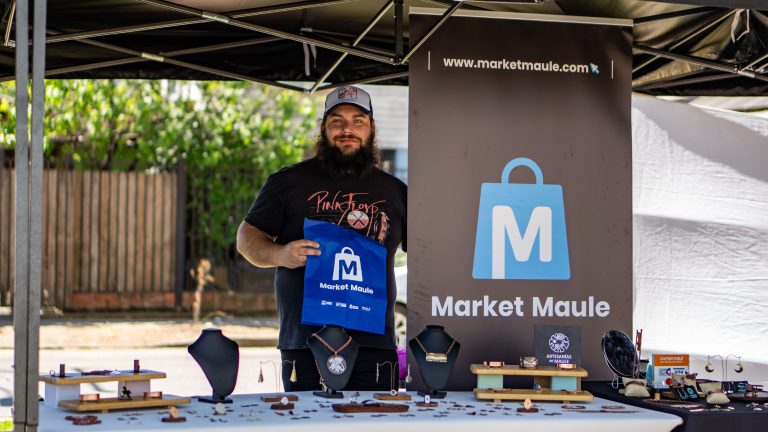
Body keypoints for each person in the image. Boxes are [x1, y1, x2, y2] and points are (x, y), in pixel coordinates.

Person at [236, 86, 407, 391]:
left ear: (371, 128)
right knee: (306, 417)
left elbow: (426, 250)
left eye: (357, 121)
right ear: (323, 128)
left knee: (375, 416)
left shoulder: (395, 191)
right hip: (306, 343)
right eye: (337, 121)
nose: (347, 130)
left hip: (373, 344)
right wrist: (280, 254)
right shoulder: (288, 182)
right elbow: (246, 238)